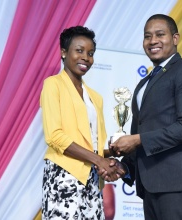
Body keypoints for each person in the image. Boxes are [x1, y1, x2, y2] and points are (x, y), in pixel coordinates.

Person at [109, 14, 182, 219]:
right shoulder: (145, 83)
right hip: (151, 185)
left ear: (175, 38)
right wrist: (125, 166)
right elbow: (140, 132)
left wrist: (137, 140)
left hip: (180, 183)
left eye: (160, 34)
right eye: (147, 36)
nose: (153, 41)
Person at [40, 26, 123, 220]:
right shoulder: (53, 85)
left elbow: (94, 146)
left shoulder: (96, 97)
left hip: (93, 179)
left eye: (90, 53)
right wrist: (99, 160)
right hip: (63, 175)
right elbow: (54, 136)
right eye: (79, 50)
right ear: (63, 52)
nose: (86, 57)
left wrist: (113, 152)